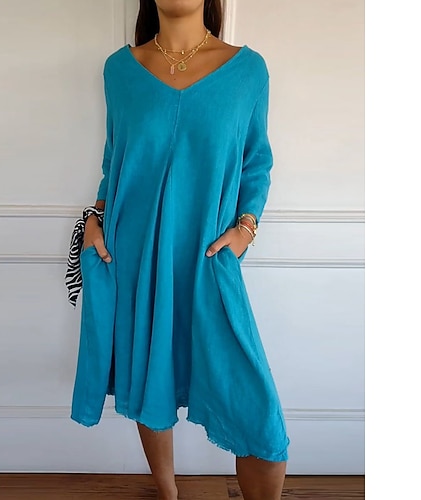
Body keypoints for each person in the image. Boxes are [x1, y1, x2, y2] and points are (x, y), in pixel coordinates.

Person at [66, 1, 290, 499]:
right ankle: (167, 494)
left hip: (208, 260)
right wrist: (95, 217)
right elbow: (115, 159)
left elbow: (256, 161)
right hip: (135, 256)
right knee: (152, 381)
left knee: (257, 412)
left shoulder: (247, 71)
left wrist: (246, 228)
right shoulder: (120, 70)